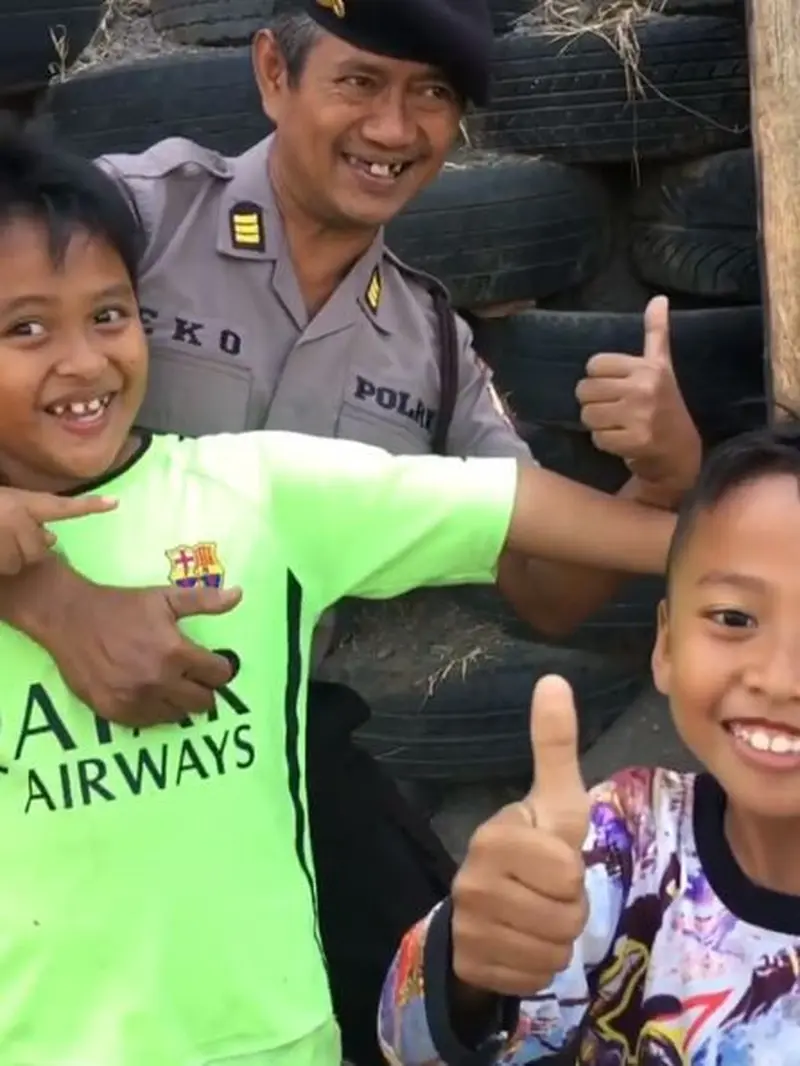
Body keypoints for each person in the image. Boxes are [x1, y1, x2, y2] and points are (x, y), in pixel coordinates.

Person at [1, 1, 702, 1062]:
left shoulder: (426, 344)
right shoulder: (122, 221)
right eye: (361, 81)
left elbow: (545, 588)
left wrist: (663, 477)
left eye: (431, 96)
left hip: (268, 733)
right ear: (273, 72)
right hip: (33, 722)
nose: (392, 127)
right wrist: (47, 598)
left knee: (434, 984)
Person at [378, 426, 800, 1066]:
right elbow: (407, 1045)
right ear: (664, 643)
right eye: (734, 618)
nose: (778, 677)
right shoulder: (618, 846)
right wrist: (470, 971)